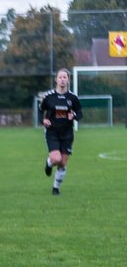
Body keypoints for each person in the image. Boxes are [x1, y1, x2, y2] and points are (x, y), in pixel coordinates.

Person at [39, 68, 81, 196]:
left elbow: (79, 113)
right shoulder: (49, 96)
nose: (62, 79)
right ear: (56, 79)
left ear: (68, 80)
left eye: (65, 77)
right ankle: (48, 163)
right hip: (52, 132)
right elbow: (40, 110)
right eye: (60, 77)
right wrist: (43, 120)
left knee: (63, 162)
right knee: (56, 159)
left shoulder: (72, 97)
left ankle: (56, 188)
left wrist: (73, 116)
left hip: (67, 133)